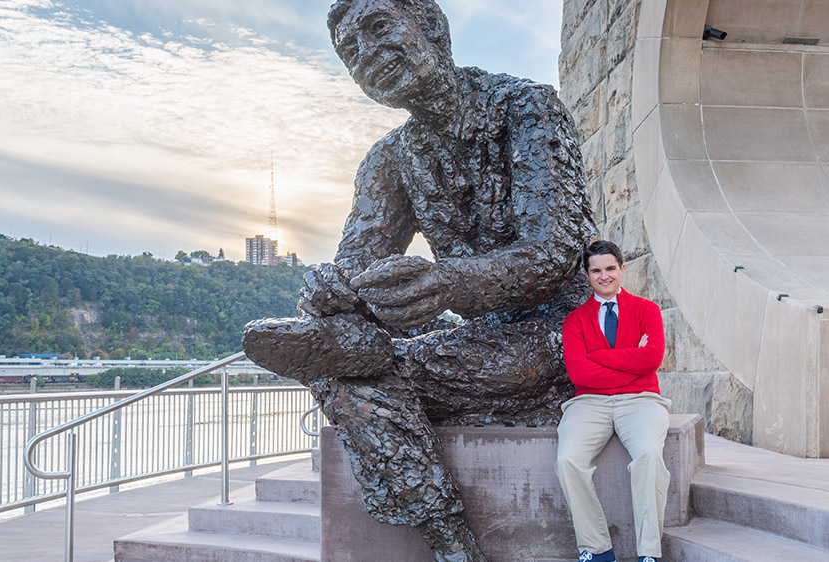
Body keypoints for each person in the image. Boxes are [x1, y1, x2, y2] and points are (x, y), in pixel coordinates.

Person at [242, 1, 597, 561]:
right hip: (476, 338)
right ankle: (449, 538)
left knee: (347, 373)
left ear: (431, 26)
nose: (367, 56)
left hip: (563, 331)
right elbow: (359, 263)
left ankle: (347, 356)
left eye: (378, 28)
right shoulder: (386, 161)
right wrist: (335, 290)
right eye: (350, 51)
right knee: (343, 371)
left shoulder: (527, 108)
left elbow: (556, 250)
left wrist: (449, 285)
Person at [556, 240, 671, 562]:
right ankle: (597, 550)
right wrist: (630, 364)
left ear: (622, 269)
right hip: (589, 403)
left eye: (610, 268)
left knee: (649, 456)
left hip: (641, 401)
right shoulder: (575, 321)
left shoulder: (647, 310)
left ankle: (648, 554)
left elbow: (651, 359)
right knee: (567, 461)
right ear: (587, 275)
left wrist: (600, 357)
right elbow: (580, 374)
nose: (604, 276)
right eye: (596, 271)